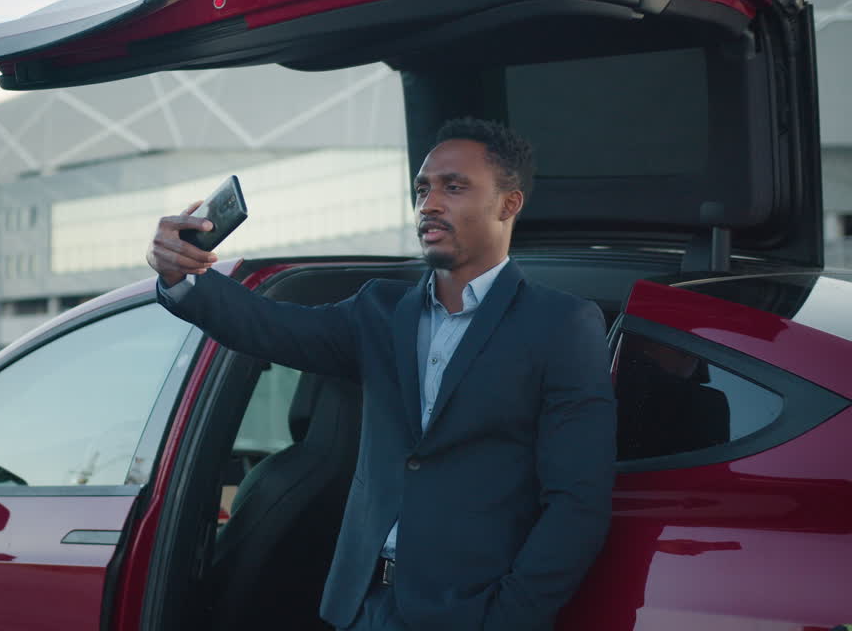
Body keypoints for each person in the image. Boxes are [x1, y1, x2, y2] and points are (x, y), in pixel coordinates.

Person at [146, 117, 615, 631]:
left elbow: (578, 502)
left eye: (454, 187)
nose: (429, 203)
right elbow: (271, 328)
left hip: (471, 613)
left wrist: (509, 618)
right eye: (422, 188)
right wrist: (182, 277)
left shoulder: (561, 324)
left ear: (509, 204)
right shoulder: (379, 310)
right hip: (361, 607)